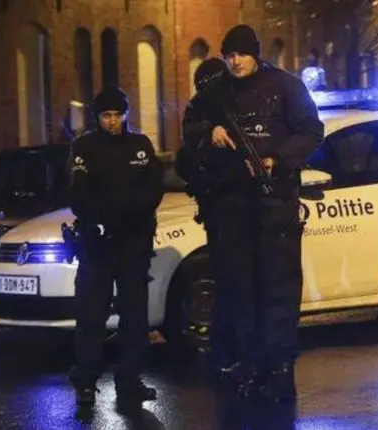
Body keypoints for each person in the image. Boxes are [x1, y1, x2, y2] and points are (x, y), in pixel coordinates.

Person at [177, 24, 324, 402]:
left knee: (278, 289)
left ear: (255, 54)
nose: (235, 61)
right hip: (233, 205)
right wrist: (209, 132)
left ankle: (280, 368)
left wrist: (278, 159)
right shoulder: (215, 92)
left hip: (275, 203)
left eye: (241, 54)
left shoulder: (286, 87)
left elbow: (311, 131)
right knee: (242, 290)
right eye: (229, 55)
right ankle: (251, 363)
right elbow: (190, 127)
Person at [67, 85, 165, 406]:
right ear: (96, 117)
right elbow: (79, 194)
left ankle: (130, 381)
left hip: (133, 244)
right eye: (106, 115)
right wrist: (104, 220)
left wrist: (127, 218)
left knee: (134, 317)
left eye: (117, 114)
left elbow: (153, 190)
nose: (112, 121)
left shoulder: (140, 146)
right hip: (97, 245)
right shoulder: (84, 147)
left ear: (126, 115)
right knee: (91, 316)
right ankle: (86, 381)